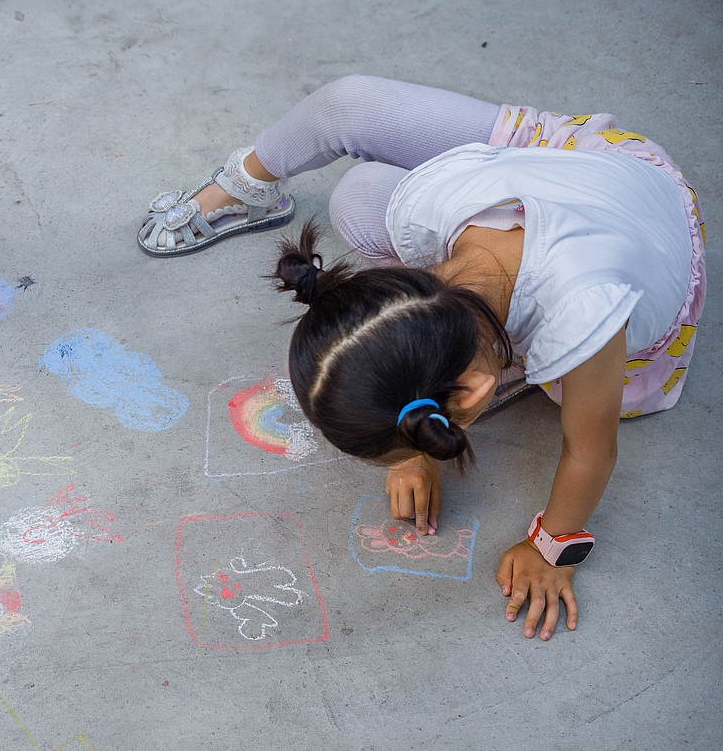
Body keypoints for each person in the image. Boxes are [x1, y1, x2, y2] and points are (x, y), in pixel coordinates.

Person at [141, 75, 705, 640]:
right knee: (360, 196)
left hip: (638, 204)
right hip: (569, 177)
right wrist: (411, 448)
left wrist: (552, 547)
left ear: (477, 390)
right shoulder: (432, 207)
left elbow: (591, 450)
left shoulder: (587, 313)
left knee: (600, 395)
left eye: (423, 432)